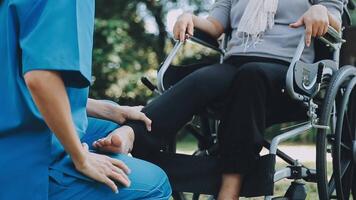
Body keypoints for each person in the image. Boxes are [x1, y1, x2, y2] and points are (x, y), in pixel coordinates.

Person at [92, 0, 346, 199]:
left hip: (290, 72)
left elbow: (335, 23)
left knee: (251, 75)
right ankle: (133, 134)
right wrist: (189, 18)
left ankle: (229, 187)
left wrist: (321, 10)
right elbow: (215, 26)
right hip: (236, 64)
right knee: (205, 77)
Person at [0, 0, 171, 199]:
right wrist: (81, 158)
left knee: (114, 127)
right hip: (23, 156)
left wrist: (112, 111)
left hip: (12, 126)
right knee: (156, 184)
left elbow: (17, 85)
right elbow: (41, 78)